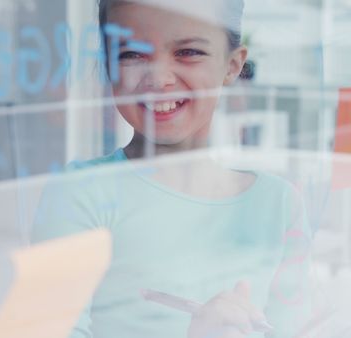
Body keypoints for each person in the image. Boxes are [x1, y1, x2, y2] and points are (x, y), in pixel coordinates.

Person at [32, 1, 312, 338]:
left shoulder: (280, 206)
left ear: (232, 65)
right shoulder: (80, 193)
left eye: (189, 52)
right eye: (132, 54)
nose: (159, 78)